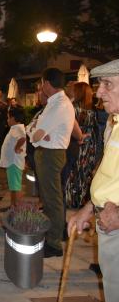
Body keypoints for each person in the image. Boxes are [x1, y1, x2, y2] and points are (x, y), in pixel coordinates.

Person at [68, 59, 119, 301]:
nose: (99, 92)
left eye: (107, 84)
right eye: (99, 85)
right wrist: (88, 208)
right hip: (108, 222)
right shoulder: (116, 122)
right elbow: (108, 172)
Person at [29, 68, 75, 258]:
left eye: (41, 83)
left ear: (47, 83)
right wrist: (37, 133)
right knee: (49, 198)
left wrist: (33, 135)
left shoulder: (59, 105)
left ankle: (54, 243)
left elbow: (37, 133)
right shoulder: (57, 103)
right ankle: (53, 236)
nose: (41, 87)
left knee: (51, 200)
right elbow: (39, 130)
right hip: (49, 152)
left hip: (50, 154)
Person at [64, 82, 101, 208]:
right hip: (89, 148)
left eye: (73, 90)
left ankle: (72, 203)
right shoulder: (92, 111)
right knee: (83, 176)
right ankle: (82, 202)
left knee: (72, 175)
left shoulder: (73, 109)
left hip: (76, 146)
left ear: (78, 93)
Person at [0, 107, 26, 210]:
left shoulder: (18, 128)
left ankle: (17, 208)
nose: (7, 120)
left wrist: (17, 148)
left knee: (16, 186)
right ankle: (13, 206)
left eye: (8, 118)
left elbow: (22, 138)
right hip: (11, 162)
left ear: (13, 118)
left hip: (14, 162)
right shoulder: (16, 128)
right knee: (13, 186)